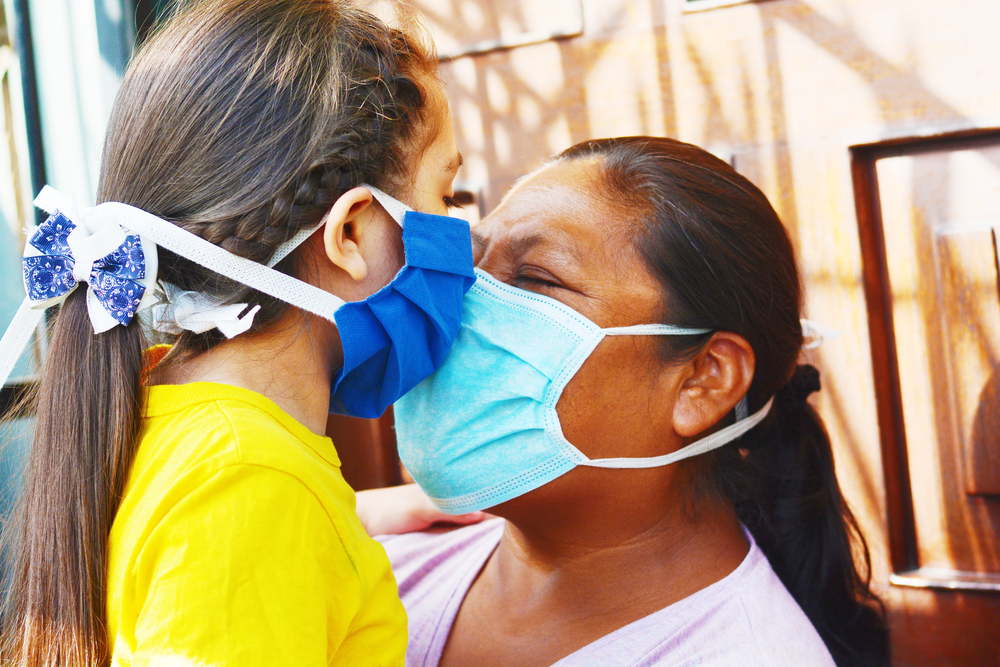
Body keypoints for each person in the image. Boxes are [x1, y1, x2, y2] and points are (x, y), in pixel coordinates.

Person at [0, 1, 477, 665]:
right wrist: (285, 509)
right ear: (349, 232)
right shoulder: (249, 482)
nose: (469, 236)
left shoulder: (165, 408)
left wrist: (342, 520)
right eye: (447, 197)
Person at [372, 137, 890, 667]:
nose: (456, 309)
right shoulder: (375, 566)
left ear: (703, 380)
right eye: (470, 263)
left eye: (534, 279)